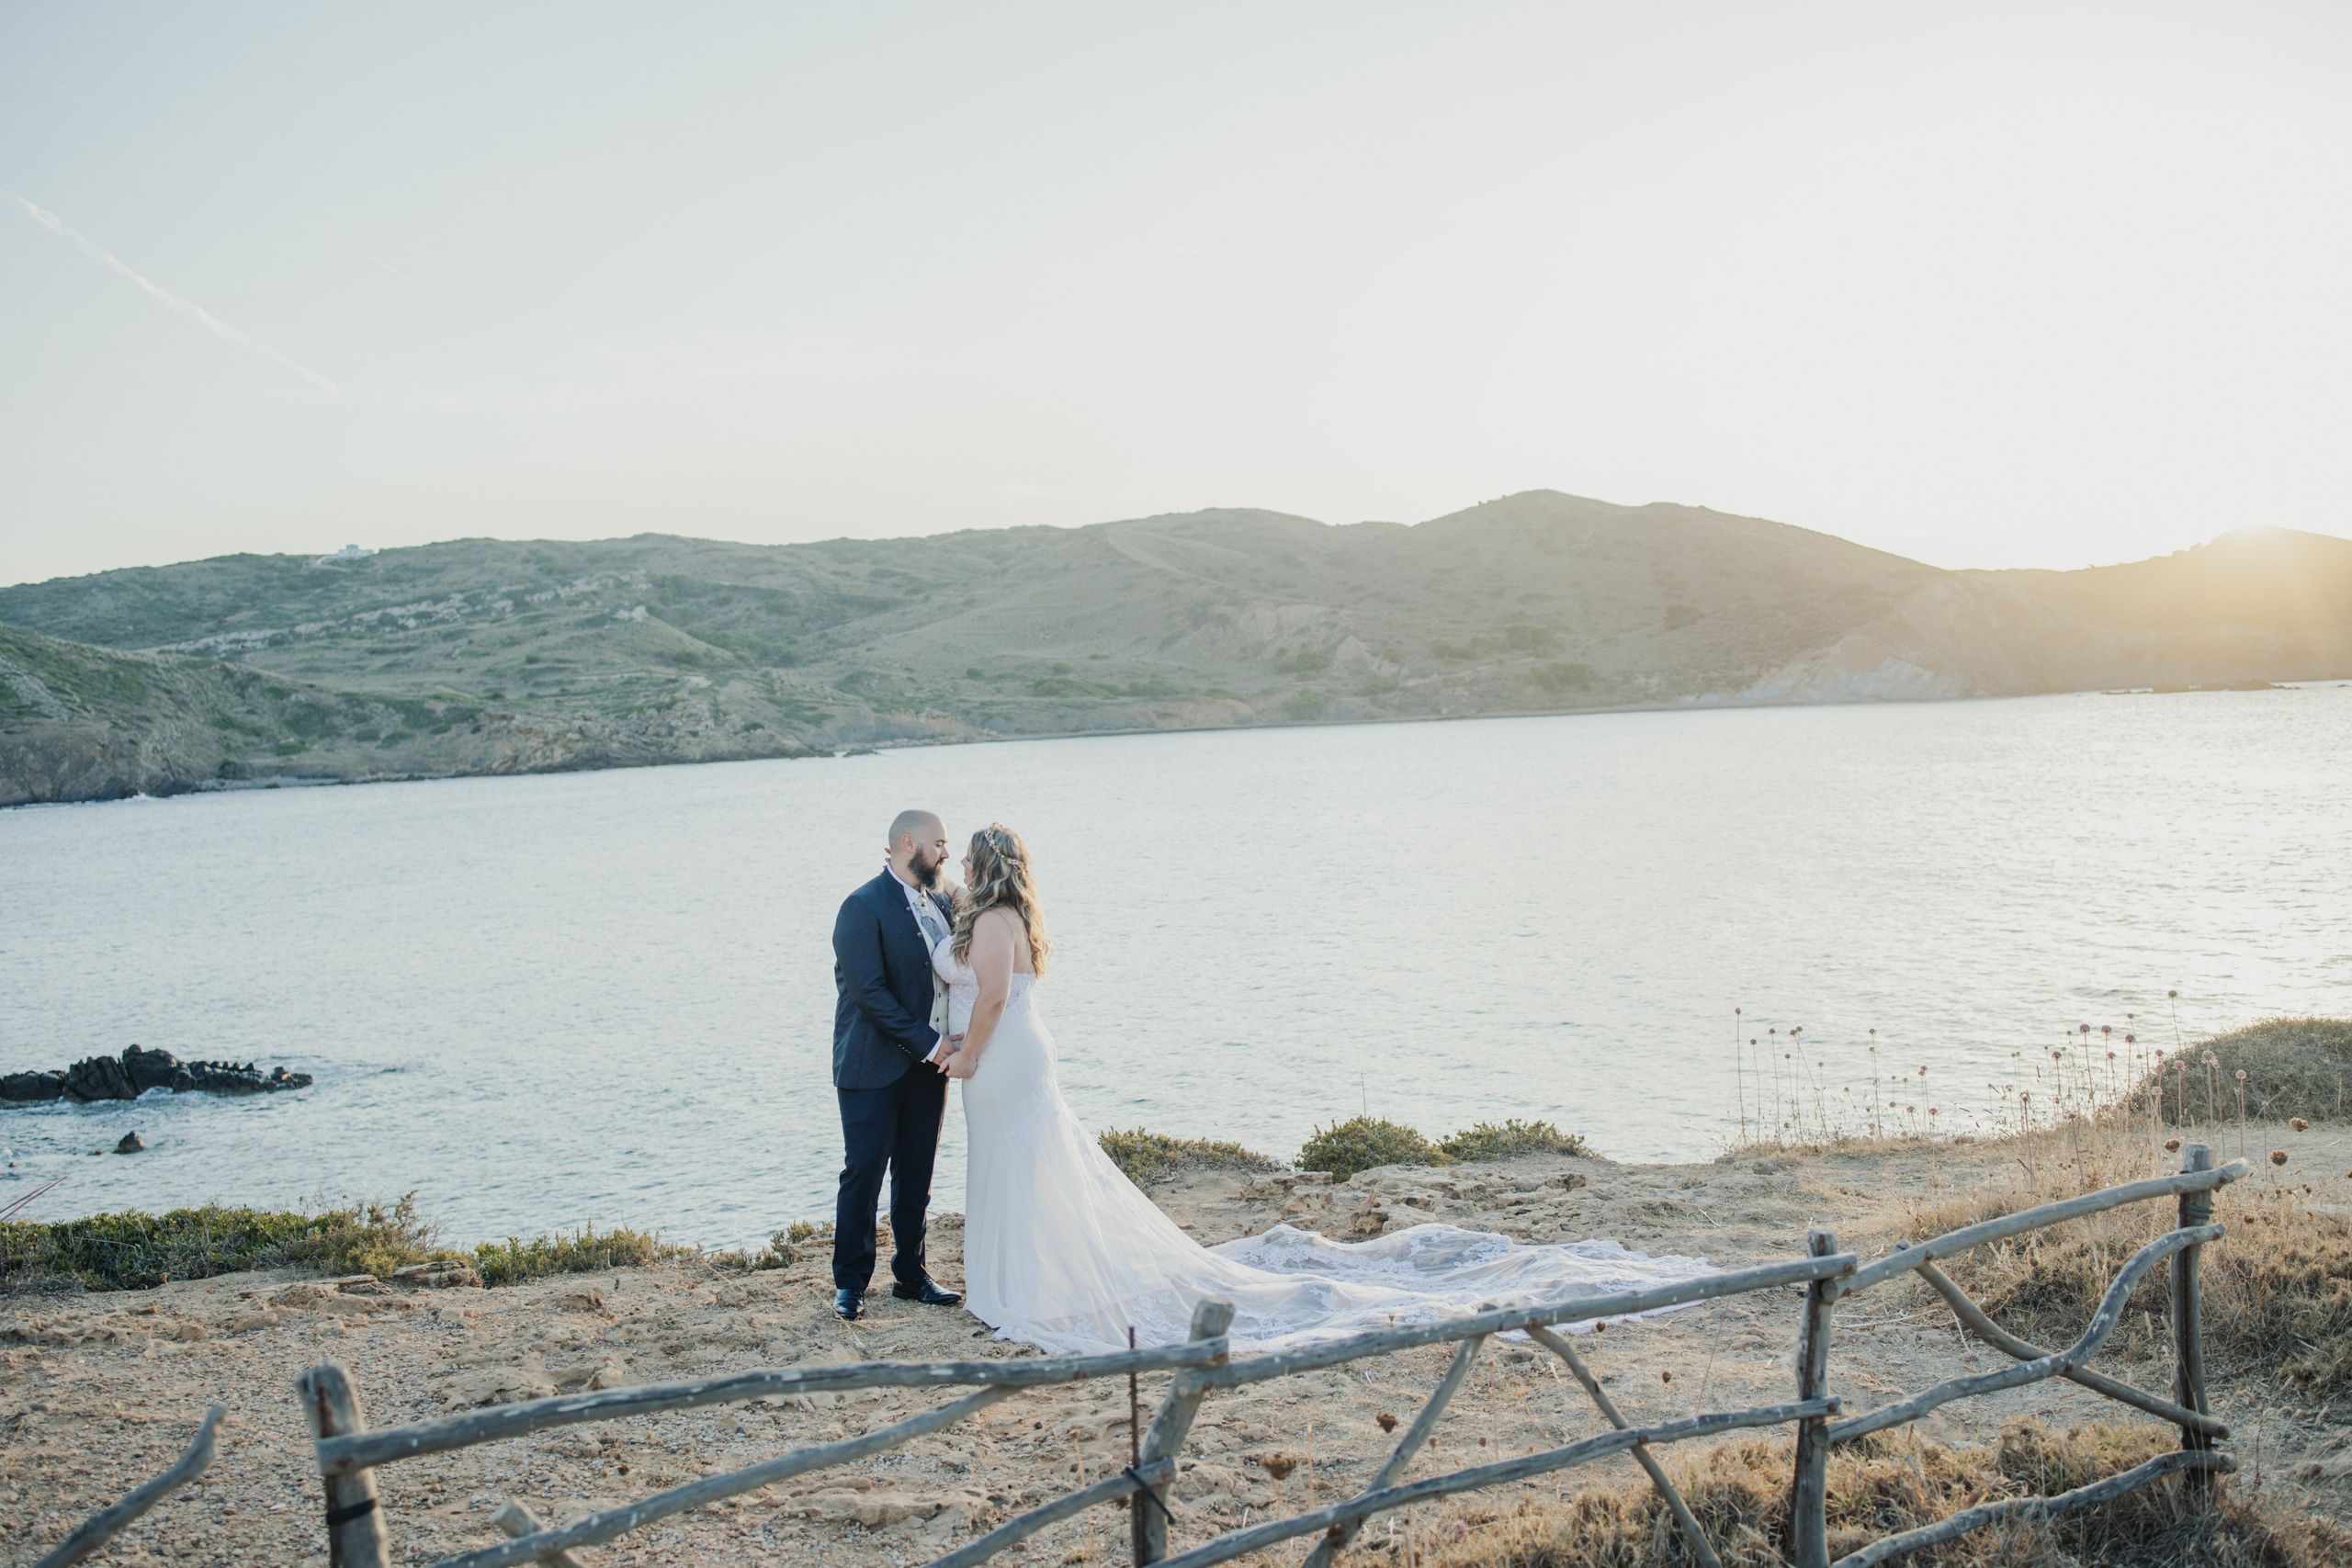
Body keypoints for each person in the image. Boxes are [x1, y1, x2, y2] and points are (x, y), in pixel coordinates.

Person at [933, 822, 1714, 1355]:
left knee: (1023, 1165)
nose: (962, 870)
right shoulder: (1005, 910)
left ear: (983, 863)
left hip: (1002, 1055)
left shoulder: (996, 919)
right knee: (1026, 1168)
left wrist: (966, 1056)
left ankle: (1023, 1290)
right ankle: (1022, 1281)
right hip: (1012, 1054)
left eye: (966, 859)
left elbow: (994, 997)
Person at [827, 808, 967, 1321]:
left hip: (932, 1066)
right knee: (863, 1173)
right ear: (910, 843)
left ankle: (912, 1274)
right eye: (941, 843)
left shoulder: (942, 903)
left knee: (917, 1174)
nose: (947, 853)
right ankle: (850, 1283)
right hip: (871, 1065)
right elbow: (869, 994)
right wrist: (933, 1044)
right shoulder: (862, 906)